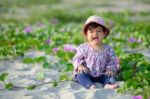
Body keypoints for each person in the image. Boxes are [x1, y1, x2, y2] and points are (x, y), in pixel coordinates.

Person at [72, 15, 119, 90]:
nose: (95, 34)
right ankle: (90, 85)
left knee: (111, 76)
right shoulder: (83, 48)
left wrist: (110, 69)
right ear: (87, 35)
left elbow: (112, 61)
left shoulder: (108, 49)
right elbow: (76, 58)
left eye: (98, 31)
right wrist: (80, 66)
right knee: (80, 75)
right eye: (91, 32)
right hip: (87, 73)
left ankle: (107, 84)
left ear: (104, 33)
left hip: (102, 74)